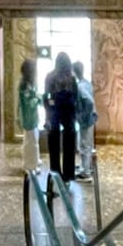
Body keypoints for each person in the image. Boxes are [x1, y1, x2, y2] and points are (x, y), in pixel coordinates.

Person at [44, 52, 80, 183]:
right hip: (69, 113)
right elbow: (76, 97)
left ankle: (55, 172)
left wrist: (49, 109)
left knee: (53, 143)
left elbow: (46, 95)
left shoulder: (50, 76)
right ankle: (69, 174)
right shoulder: (71, 78)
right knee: (69, 144)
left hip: (54, 112)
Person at [72, 60, 97, 182]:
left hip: (86, 120)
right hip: (90, 119)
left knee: (84, 145)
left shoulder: (80, 86)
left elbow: (89, 101)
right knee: (88, 144)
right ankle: (86, 166)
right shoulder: (86, 83)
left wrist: (83, 116)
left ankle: (85, 173)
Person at [17, 59, 42, 175]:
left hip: (31, 117)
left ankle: (33, 161)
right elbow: (29, 102)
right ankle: (30, 165)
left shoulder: (27, 84)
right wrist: (38, 99)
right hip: (29, 117)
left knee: (32, 140)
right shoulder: (25, 86)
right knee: (31, 142)